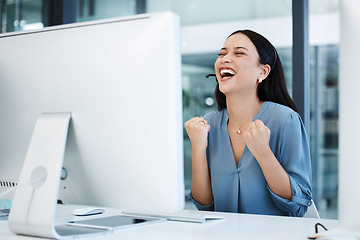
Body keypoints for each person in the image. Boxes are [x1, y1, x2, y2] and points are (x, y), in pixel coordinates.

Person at [184, 29, 312, 217]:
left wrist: (263, 152)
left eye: (239, 53)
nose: (225, 59)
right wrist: (198, 147)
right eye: (222, 53)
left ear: (263, 71)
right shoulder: (208, 124)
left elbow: (299, 205)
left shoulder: (285, 120)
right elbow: (204, 206)